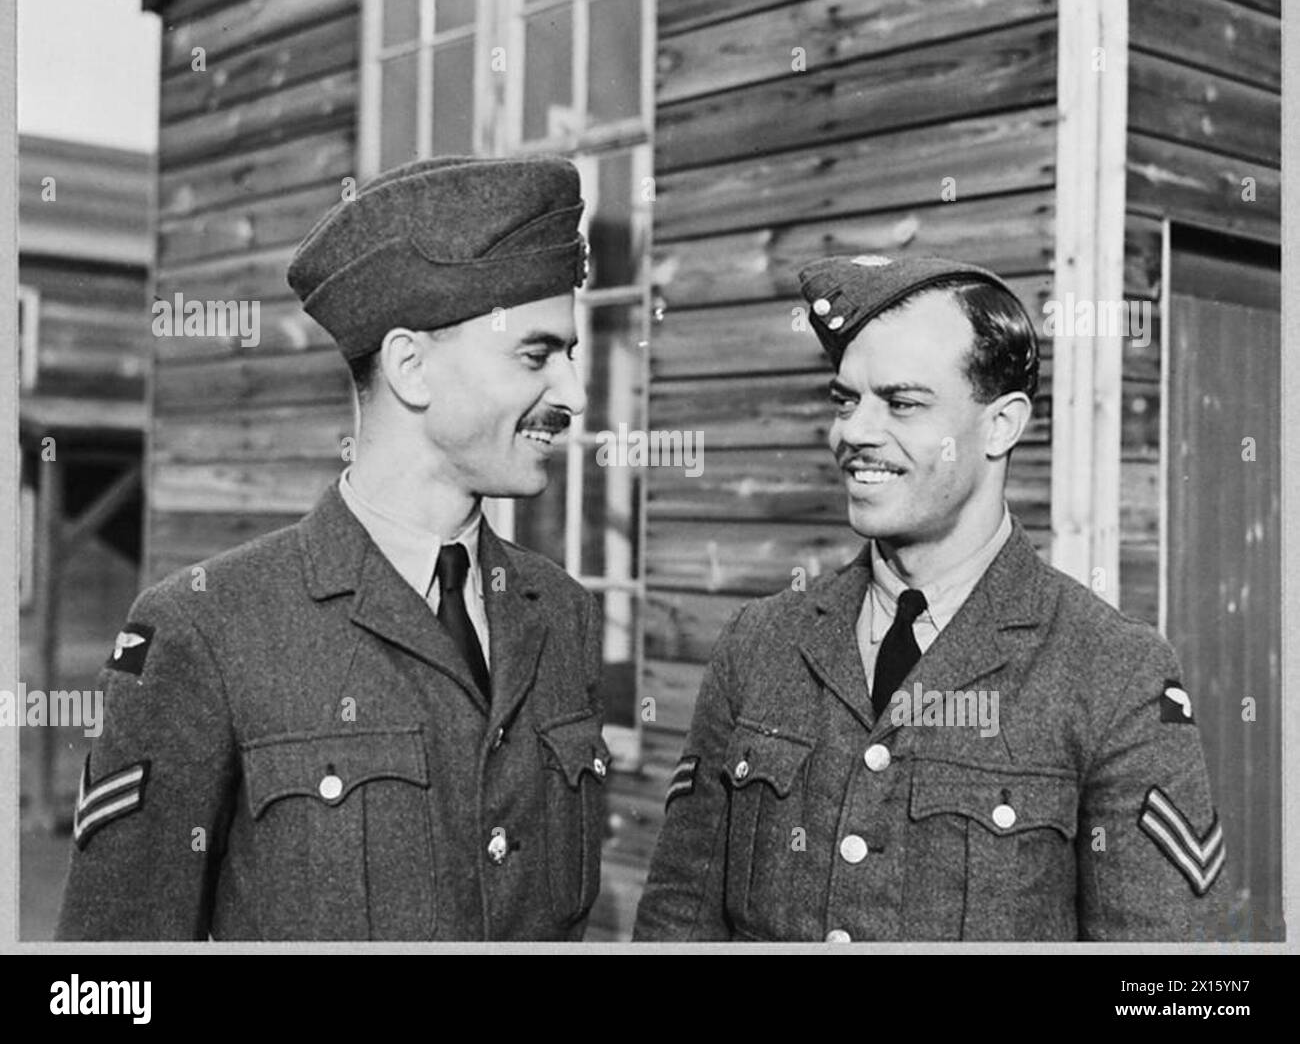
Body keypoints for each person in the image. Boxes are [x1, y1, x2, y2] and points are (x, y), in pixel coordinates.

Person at [57, 155, 611, 941]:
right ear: (410, 367)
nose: (574, 394)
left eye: (572, 354)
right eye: (536, 354)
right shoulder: (207, 631)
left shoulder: (560, 615)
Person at [633, 254, 1225, 941]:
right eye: (845, 400)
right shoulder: (760, 643)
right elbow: (677, 920)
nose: (854, 432)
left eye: (902, 403)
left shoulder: (1113, 673)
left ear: (1001, 425)